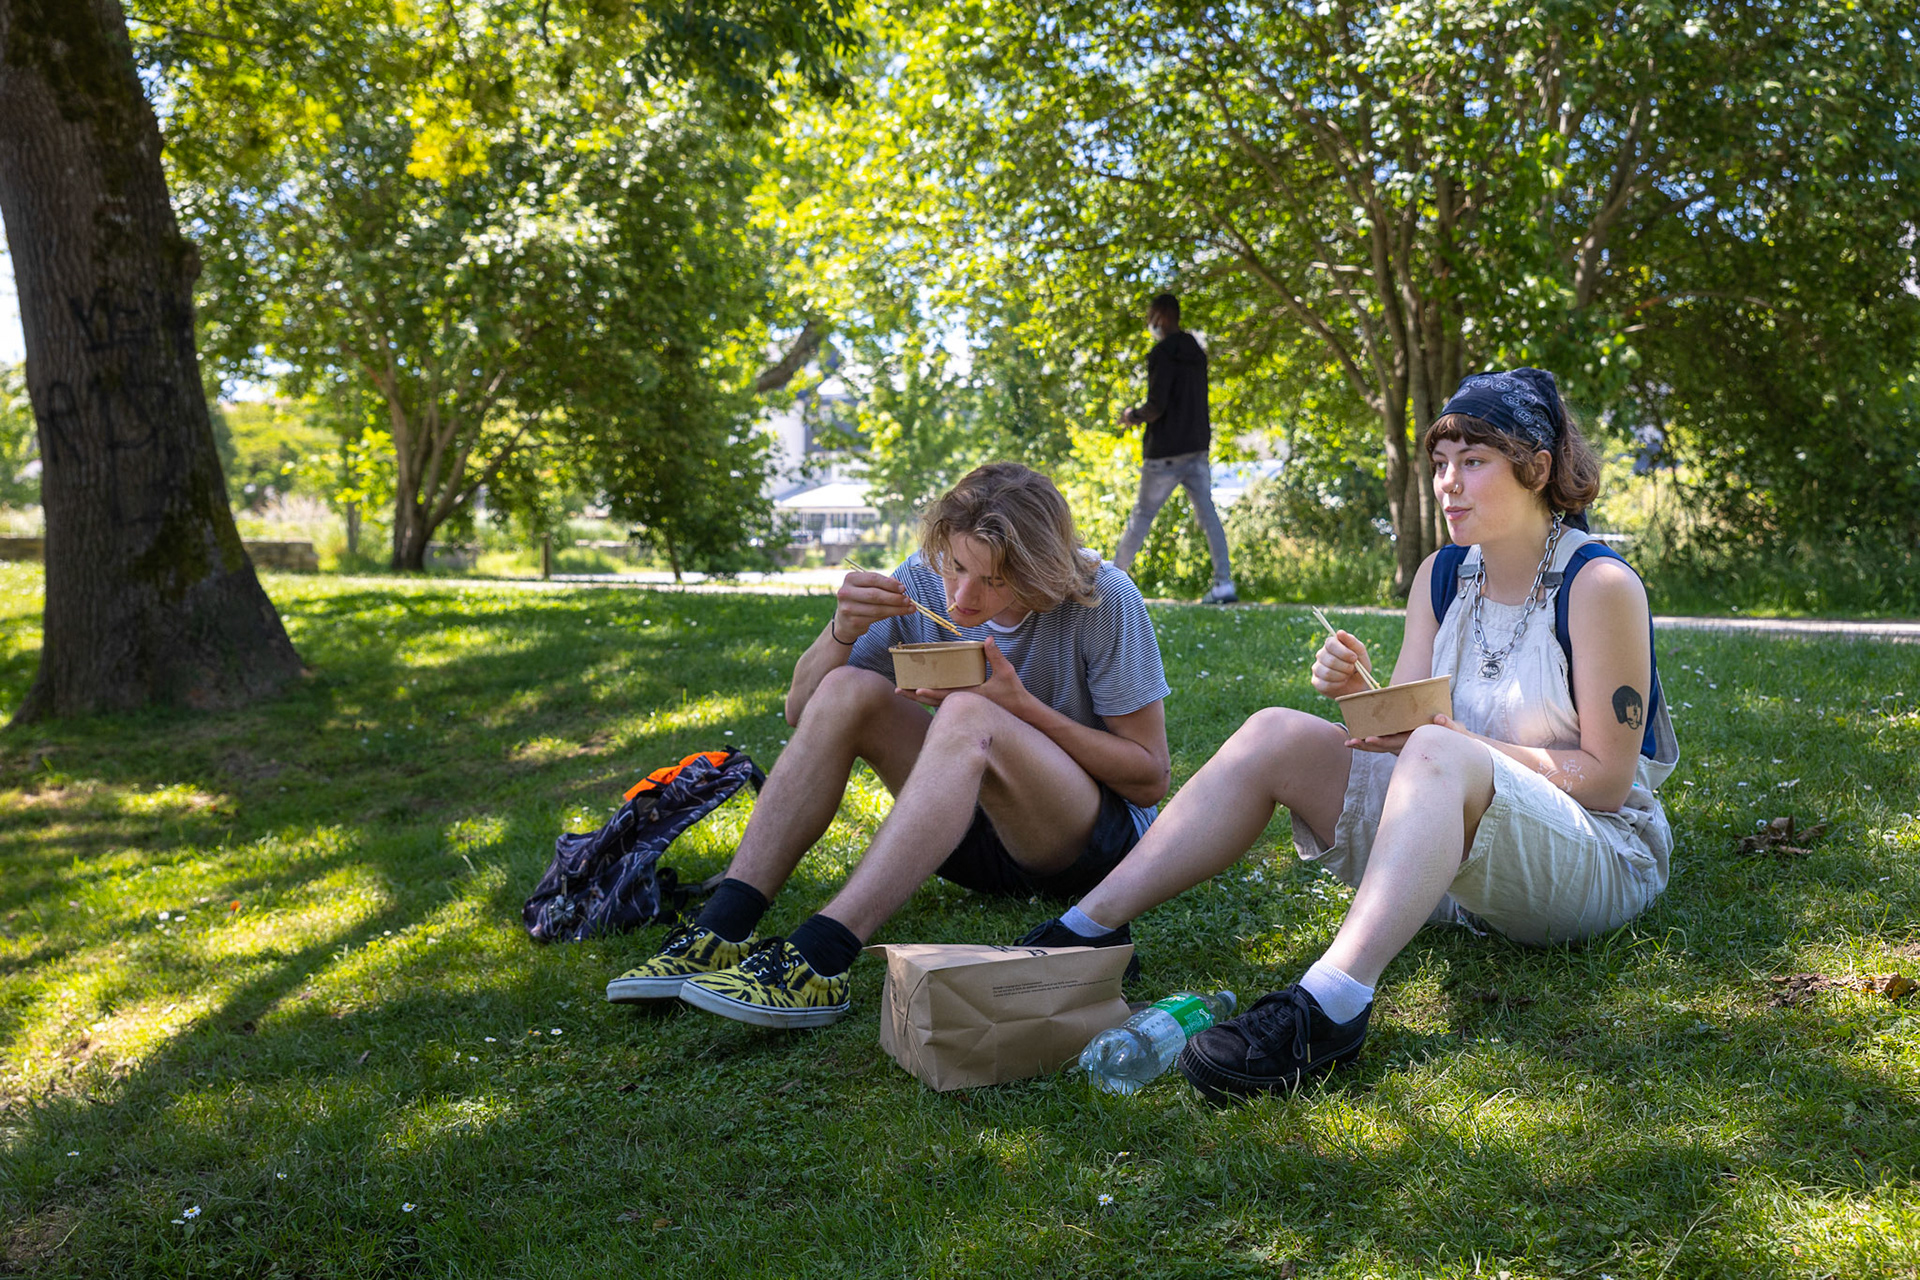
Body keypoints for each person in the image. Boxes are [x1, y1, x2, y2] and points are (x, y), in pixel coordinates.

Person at [1020, 368, 1679, 1102]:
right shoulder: (1441, 576)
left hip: (1595, 856)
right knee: (1275, 731)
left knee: (1440, 748)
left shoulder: (1600, 585)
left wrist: (1450, 740)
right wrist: (1360, 693)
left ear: (1537, 468)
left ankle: (1331, 1006)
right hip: (1459, 854)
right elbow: (1405, 739)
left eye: (1473, 462)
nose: (1447, 484)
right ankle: (1084, 931)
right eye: (1439, 465)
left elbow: (1607, 781)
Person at [607, 463, 1172, 1028]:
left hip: (1082, 847)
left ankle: (824, 957)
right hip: (967, 841)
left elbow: (1149, 779)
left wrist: (1020, 706)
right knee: (850, 687)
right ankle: (721, 926)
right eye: (955, 565)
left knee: (969, 709)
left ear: (1036, 567)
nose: (961, 595)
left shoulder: (1103, 598)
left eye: (993, 580)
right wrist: (842, 629)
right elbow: (803, 712)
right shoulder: (924, 577)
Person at [1113, 293, 1237, 605]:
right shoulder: (1196, 350)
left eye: (1151, 315)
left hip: (1165, 453)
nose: (1149, 322)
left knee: (1142, 516)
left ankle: (1112, 581)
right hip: (1196, 448)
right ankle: (1224, 584)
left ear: (1161, 316)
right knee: (1208, 515)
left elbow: (1157, 406)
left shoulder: (1162, 353)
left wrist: (1132, 416)